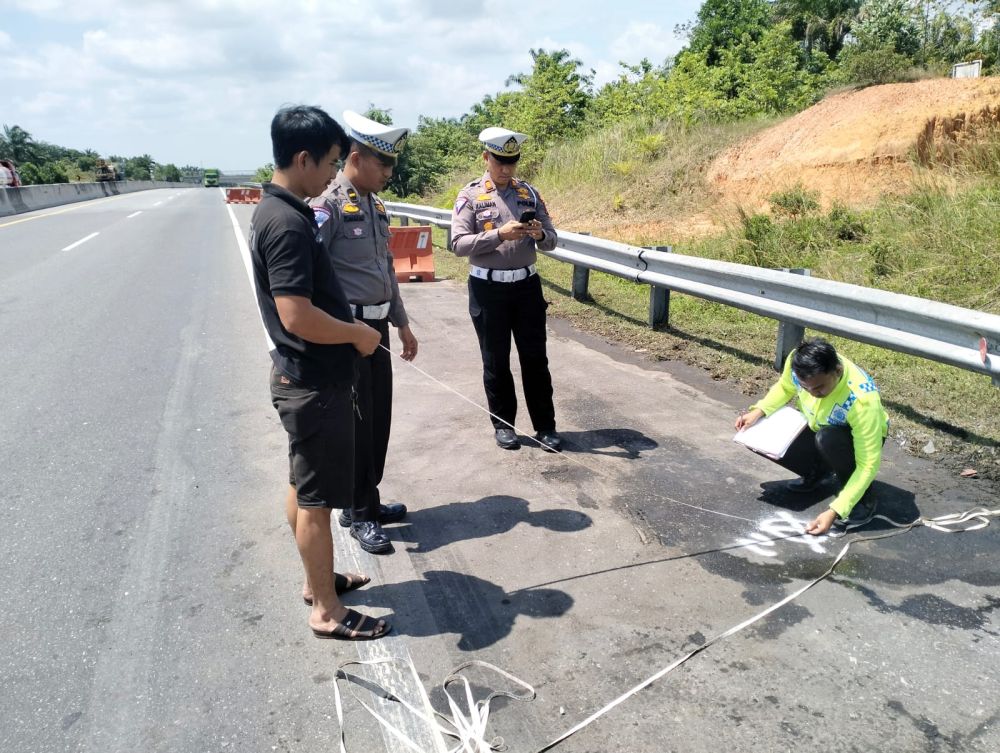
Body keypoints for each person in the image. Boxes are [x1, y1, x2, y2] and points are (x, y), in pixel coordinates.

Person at [249, 105, 389, 640]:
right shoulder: (285, 222)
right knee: (317, 501)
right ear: (303, 158)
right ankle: (326, 610)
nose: (334, 174)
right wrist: (356, 333)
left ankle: (319, 580)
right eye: (331, 162)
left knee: (302, 485)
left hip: (302, 377)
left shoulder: (282, 210)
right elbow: (297, 315)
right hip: (312, 383)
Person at [309, 110, 417, 555]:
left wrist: (403, 323)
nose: (390, 173)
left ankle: (367, 498)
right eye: (384, 164)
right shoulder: (327, 206)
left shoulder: (373, 203)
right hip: (348, 331)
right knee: (355, 424)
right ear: (356, 157)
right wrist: (341, 329)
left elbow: (385, 268)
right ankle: (357, 511)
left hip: (377, 327)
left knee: (378, 420)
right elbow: (311, 277)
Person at [450, 127, 562, 452]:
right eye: (499, 161)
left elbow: (553, 239)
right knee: (496, 360)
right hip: (488, 289)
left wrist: (539, 234)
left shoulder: (529, 193)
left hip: (526, 287)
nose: (506, 168)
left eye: (511, 162)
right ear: (486, 157)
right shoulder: (469, 196)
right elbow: (457, 244)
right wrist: (499, 235)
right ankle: (503, 425)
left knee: (535, 359)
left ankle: (546, 427)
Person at [735, 338, 889, 536]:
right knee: (756, 430)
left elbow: (868, 463)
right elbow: (785, 388)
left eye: (819, 388)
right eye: (805, 388)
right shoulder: (797, 362)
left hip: (844, 438)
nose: (812, 393)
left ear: (838, 371)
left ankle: (862, 500)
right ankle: (817, 473)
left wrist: (835, 510)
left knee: (828, 439)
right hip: (818, 423)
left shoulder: (863, 402)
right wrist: (759, 411)